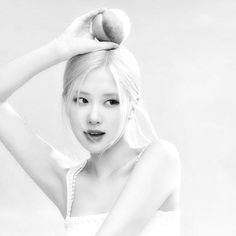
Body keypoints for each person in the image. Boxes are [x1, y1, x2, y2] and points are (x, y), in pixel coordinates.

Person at [0, 8, 181, 236]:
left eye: (111, 102)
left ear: (132, 105)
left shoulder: (161, 159)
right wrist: (59, 49)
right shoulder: (68, 185)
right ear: (67, 102)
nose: (94, 117)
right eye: (82, 100)